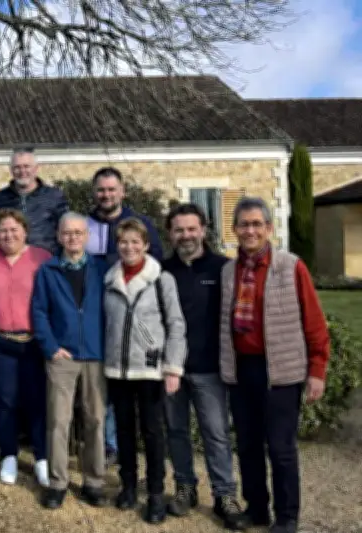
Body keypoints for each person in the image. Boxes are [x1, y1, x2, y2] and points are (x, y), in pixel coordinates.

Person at [220, 197, 330, 533]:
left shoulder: (290, 266)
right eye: (244, 224)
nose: (250, 230)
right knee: (249, 446)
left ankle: (287, 517)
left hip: (281, 371)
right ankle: (257, 509)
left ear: (269, 228)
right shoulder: (229, 270)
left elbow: (314, 322)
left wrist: (317, 370)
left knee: (281, 449)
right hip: (243, 370)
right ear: (235, 229)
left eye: (257, 224)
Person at [160, 203, 247, 530]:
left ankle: (225, 495)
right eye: (179, 229)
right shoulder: (162, 270)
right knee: (177, 432)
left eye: (191, 228)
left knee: (215, 433)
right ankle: (185, 487)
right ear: (170, 233)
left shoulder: (223, 268)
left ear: (204, 229)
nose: (186, 235)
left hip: (210, 368)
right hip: (172, 370)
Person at [103, 217, 186, 524]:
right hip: (118, 369)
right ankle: (127, 487)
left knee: (152, 434)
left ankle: (154, 494)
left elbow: (176, 324)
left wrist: (173, 366)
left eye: (135, 242)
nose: (129, 247)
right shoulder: (109, 280)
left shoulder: (161, 279)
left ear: (146, 245)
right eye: (124, 241)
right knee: (124, 432)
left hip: (150, 369)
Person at [0, 208, 51, 487]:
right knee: (6, 401)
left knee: (36, 401)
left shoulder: (41, 257)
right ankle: (9, 456)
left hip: (33, 343)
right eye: (3, 230)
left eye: (14, 229)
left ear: (25, 231)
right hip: (0, 342)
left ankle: (41, 457)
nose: (8, 234)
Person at [85, 166, 164, 464]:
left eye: (111, 189)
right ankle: (110, 446)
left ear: (122, 191)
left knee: (135, 389)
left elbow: (155, 265)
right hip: (96, 314)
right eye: (101, 190)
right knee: (105, 386)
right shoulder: (86, 224)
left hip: (134, 317)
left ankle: (137, 445)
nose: (106, 194)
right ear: (95, 193)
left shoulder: (140, 224)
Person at [30, 212, 109, 510]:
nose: (73, 237)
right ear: (59, 236)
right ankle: (58, 483)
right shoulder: (47, 270)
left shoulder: (101, 269)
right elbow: (39, 311)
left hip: (95, 355)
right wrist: (50, 347)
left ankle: (94, 481)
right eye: (67, 233)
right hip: (62, 356)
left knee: (95, 420)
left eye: (78, 232)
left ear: (87, 236)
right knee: (59, 422)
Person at [0, 147, 68, 254]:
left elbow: (65, 230)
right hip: (11, 261)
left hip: (47, 260)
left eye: (26, 166)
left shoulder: (55, 196)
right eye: (17, 167)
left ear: (36, 168)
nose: (22, 171)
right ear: (11, 170)